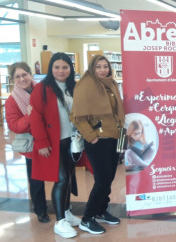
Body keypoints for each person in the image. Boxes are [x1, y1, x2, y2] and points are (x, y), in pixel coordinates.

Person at [71, 54, 125, 234]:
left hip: (114, 137)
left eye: (105, 66)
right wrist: (91, 137)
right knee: (102, 180)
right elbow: (77, 116)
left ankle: (101, 211)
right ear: (92, 69)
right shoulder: (85, 86)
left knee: (109, 178)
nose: (103, 70)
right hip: (98, 140)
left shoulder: (111, 84)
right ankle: (87, 218)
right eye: (98, 67)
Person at [30, 52, 82, 238]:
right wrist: (41, 142)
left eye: (65, 67)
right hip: (53, 142)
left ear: (70, 69)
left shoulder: (73, 87)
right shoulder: (42, 89)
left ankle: (66, 212)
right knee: (60, 179)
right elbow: (35, 117)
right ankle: (60, 221)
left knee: (68, 177)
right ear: (51, 69)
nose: (61, 71)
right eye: (57, 67)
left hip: (71, 140)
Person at [5, 62, 49, 223]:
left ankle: (64, 206)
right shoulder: (12, 101)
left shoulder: (43, 91)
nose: (22, 79)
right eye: (17, 76)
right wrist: (30, 116)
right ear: (13, 80)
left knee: (61, 176)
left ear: (31, 74)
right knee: (36, 179)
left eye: (25, 75)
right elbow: (14, 125)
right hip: (32, 144)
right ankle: (40, 211)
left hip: (51, 139)